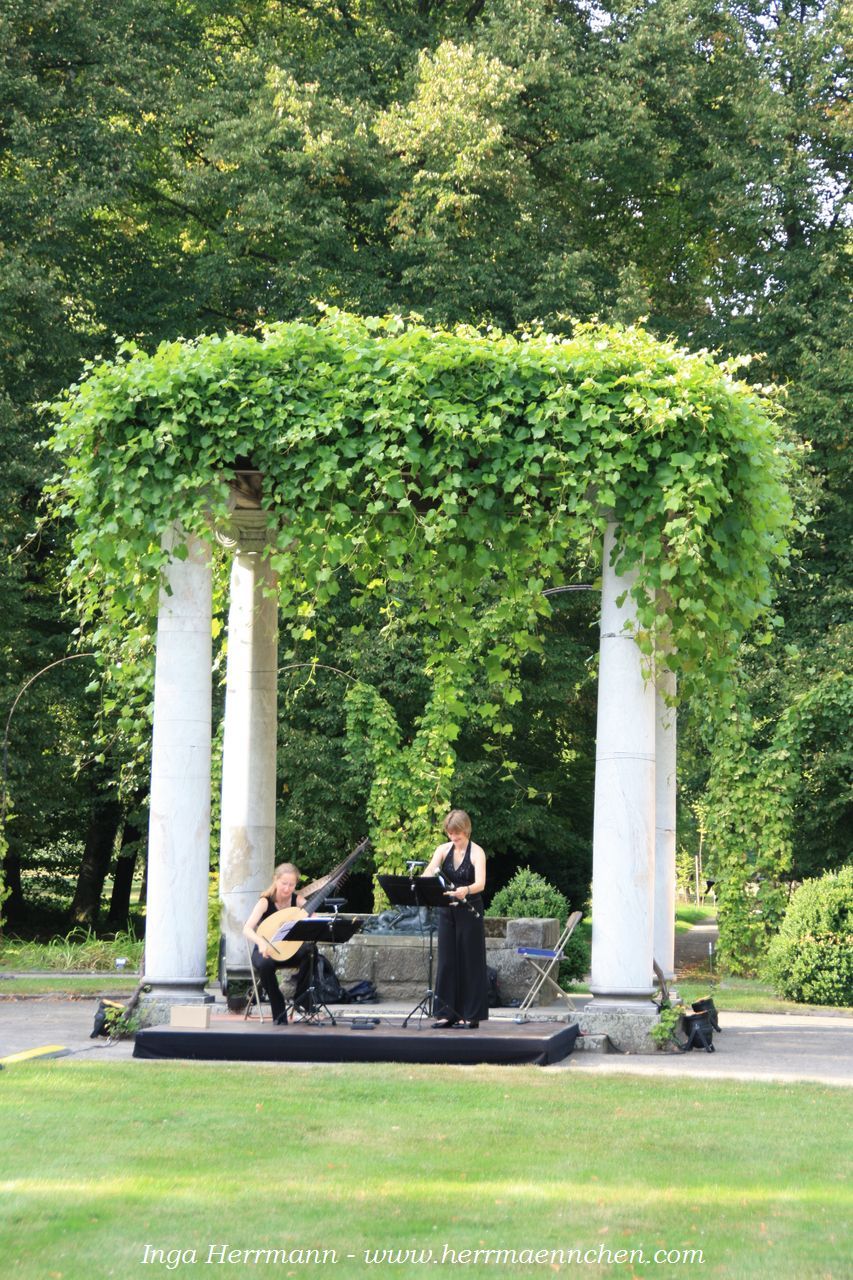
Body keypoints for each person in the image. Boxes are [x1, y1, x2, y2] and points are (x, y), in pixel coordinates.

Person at [422, 809, 489, 1029]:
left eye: (457, 834)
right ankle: (445, 1012)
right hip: (447, 910)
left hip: (469, 911)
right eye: (450, 834)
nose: (454, 838)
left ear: (466, 830)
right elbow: (432, 868)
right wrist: (425, 878)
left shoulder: (477, 852)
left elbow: (481, 883)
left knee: (469, 961)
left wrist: (465, 890)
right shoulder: (443, 849)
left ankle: (471, 1014)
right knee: (447, 960)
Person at [243, 863, 307, 1025]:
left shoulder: (298, 900)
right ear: (276, 881)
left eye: (291, 885)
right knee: (265, 965)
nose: (287, 888)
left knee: (311, 953)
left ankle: (302, 1000)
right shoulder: (265, 902)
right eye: (284, 883)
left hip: (288, 952)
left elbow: (313, 919)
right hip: (266, 951)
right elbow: (247, 929)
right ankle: (278, 1009)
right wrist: (261, 943)